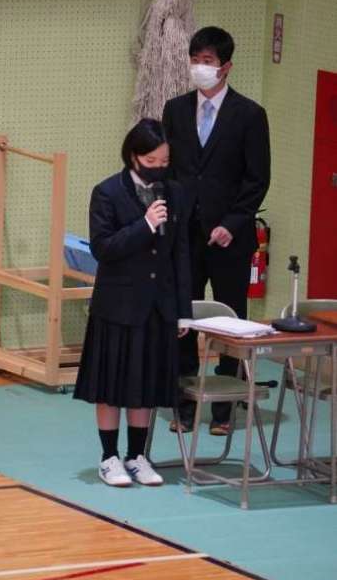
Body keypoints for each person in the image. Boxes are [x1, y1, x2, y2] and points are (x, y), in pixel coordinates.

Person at [162, 26, 270, 436]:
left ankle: (224, 409)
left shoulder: (249, 114)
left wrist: (232, 223)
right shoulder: (175, 109)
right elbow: (169, 169)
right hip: (184, 233)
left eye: (207, 61)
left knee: (229, 319)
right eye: (195, 60)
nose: (199, 67)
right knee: (184, 317)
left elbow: (257, 179)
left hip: (229, 236)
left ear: (226, 67)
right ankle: (184, 405)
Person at [74, 118, 191, 487]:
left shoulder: (174, 193)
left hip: (158, 305)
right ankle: (109, 457)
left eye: (164, 161)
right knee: (111, 385)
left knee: (145, 385)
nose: (158, 168)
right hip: (118, 303)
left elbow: (180, 253)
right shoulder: (107, 192)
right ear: (133, 156)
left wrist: (182, 311)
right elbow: (103, 248)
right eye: (151, 161)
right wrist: (145, 225)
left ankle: (137, 456)